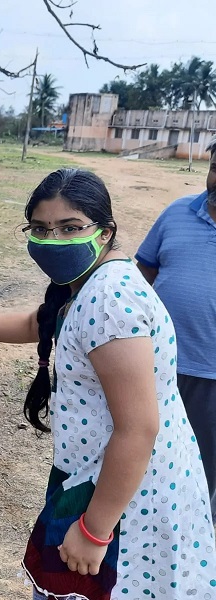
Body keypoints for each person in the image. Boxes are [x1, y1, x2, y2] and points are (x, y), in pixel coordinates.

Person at [0, 169, 216, 600]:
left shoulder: (110, 300)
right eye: (41, 229)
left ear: (105, 231)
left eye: (70, 227)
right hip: (103, 476)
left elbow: (138, 429)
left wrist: (95, 531)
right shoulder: (88, 281)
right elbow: (44, 323)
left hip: (122, 495)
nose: (53, 240)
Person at [136, 135, 216, 522]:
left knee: (202, 471)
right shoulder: (176, 213)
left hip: (211, 379)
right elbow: (142, 276)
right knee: (143, 457)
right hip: (154, 366)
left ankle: (195, 539)